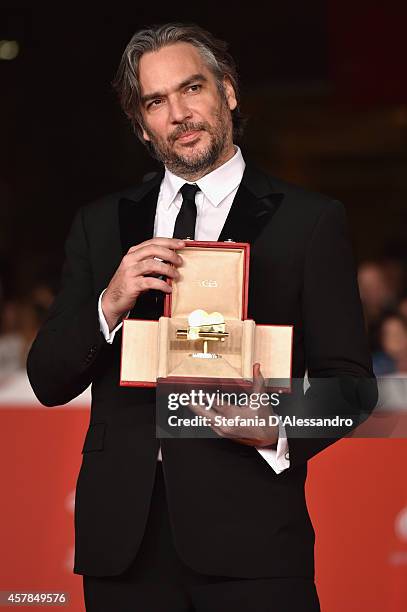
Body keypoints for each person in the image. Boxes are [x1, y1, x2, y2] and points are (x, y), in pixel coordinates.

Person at [27, 23, 377, 612]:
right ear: (142, 125)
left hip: (255, 547)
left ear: (228, 93)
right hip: (125, 549)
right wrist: (108, 302)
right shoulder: (100, 223)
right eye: (156, 101)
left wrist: (277, 425)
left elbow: (352, 386)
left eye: (192, 89)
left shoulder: (310, 222)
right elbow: (48, 379)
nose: (180, 113)